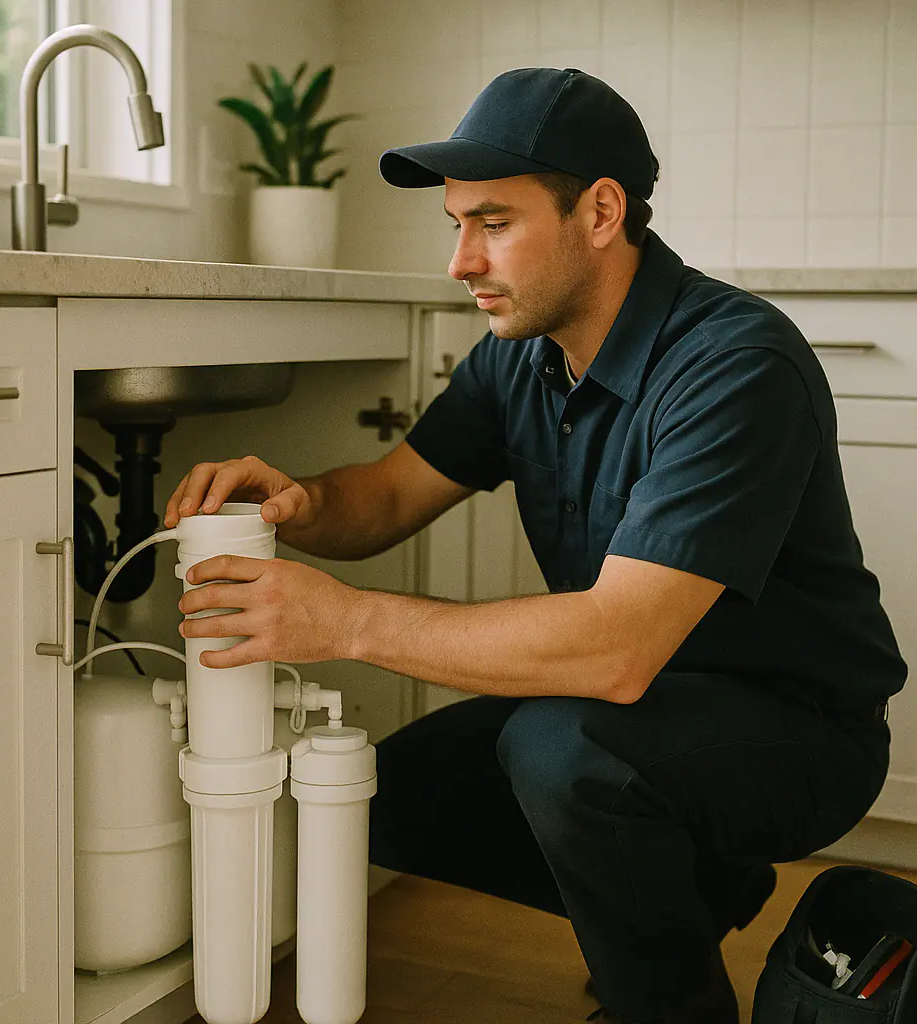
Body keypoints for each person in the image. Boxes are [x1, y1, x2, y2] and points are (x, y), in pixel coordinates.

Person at [164, 69, 906, 1024]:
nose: (461, 262)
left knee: (563, 752)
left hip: (799, 729)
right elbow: (390, 495)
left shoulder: (733, 366)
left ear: (601, 211)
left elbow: (614, 649)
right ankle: (692, 895)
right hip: (645, 706)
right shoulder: (522, 354)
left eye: (495, 223)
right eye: (457, 225)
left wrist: (342, 620)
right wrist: (298, 504)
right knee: (389, 795)